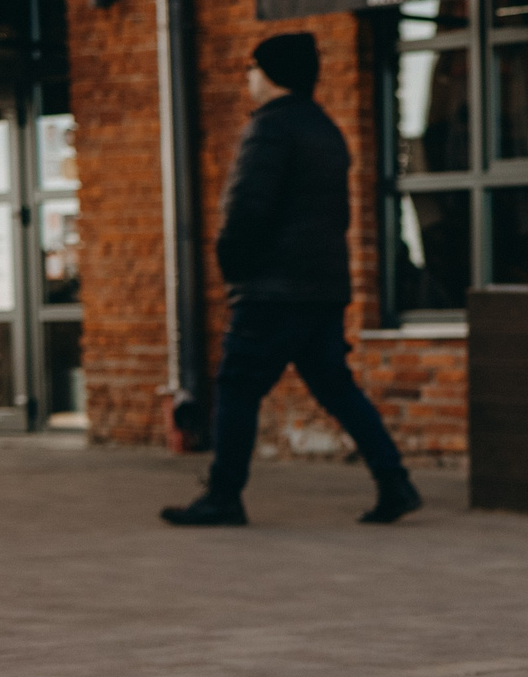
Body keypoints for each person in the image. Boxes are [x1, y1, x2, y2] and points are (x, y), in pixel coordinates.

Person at [162, 33, 422, 528]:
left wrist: (233, 266)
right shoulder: (326, 129)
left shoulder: (271, 129)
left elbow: (246, 207)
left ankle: (223, 495)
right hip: (321, 286)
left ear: (271, 74)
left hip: (271, 288)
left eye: (252, 69)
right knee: (336, 388)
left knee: (237, 385)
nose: (248, 78)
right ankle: (394, 481)